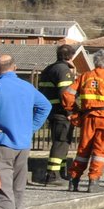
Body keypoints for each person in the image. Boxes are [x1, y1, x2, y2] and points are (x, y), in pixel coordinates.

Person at [0, 54, 52, 209]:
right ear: (14, 67)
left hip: (2, 145)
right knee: (17, 190)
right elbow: (45, 106)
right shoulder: (27, 87)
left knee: (0, 191)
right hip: (22, 145)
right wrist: (30, 128)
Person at [68, 49, 104, 192]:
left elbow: (67, 94)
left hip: (88, 117)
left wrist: (74, 110)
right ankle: (93, 182)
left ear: (94, 61)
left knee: (83, 149)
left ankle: (73, 180)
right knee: (100, 151)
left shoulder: (84, 76)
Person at [34, 43, 77, 184]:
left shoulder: (49, 69)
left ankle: (61, 172)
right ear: (71, 56)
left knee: (61, 142)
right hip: (61, 111)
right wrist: (69, 111)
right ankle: (53, 175)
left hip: (51, 111)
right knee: (61, 142)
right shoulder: (63, 70)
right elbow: (65, 94)